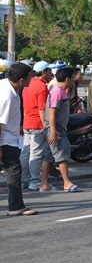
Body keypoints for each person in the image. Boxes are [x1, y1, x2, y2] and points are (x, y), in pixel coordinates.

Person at [0, 62, 38, 215]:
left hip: (10, 137)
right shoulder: (7, 96)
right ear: (22, 80)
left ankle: (16, 205)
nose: (32, 79)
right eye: (30, 77)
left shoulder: (6, 85)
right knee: (14, 171)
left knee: (13, 171)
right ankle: (15, 206)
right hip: (5, 140)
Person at [40, 67, 82, 192]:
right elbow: (52, 113)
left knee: (48, 156)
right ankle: (67, 183)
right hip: (56, 128)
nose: (74, 80)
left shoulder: (58, 91)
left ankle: (44, 184)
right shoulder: (58, 92)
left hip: (53, 127)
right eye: (73, 77)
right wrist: (53, 132)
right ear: (67, 78)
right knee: (62, 155)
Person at [20, 61, 57, 192]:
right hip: (37, 124)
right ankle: (34, 182)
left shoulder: (27, 84)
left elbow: (24, 106)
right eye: (49, 71)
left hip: (27, 122)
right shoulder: (42, 87)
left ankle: (24, 180)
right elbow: (42, 109)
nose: (51, 73)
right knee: (35, 154)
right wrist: (45, 126)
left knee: (25, 153)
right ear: (43, 72)